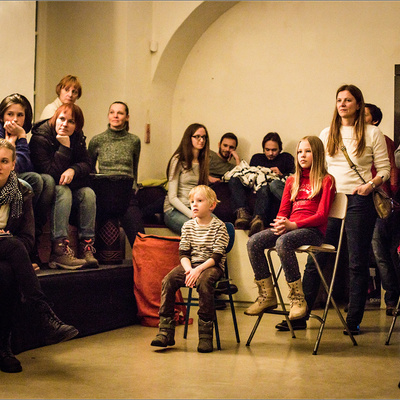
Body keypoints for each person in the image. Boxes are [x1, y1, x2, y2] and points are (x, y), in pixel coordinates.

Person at [297, 85, 391, 335]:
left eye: (348, 100)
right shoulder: (327, 132)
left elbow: (384, 170)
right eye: (339, 100)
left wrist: (369, 186)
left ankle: (353, 319)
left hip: (360, 201)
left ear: (358, 104)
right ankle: (299, 314)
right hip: (330, 200)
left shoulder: (372, 133)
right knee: (316, 255)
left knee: (356, 262)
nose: (342, 104)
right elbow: (321, 168)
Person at [0, 139, 79, 373]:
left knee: (6, 273)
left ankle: (3, 348)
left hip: (6, 255)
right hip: (11, 249)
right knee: (13, 247)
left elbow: (27, 238)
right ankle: (43, 315)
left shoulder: (22, 191)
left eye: (4, 161)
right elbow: (19, 244)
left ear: (13, 164)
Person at [245, 136, 335, 321]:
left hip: (313, 231)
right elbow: (283, 211)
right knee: (254, 241)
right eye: (300, 151)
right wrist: (280, 224)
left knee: (283, 241)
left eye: (308, 151)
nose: (302, 155)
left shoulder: (326, 180)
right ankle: (267, 295)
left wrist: (293, 225)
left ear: (317, 154)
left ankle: (297, 299)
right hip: (291, 228)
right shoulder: (292, 181)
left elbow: (321, 216)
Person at [151, 185, 229, 353]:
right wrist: (188, 270)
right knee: (168, 280)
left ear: (212, 205)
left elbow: (216, 257)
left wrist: (197, 270)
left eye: (200, 201)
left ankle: (205, 336)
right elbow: (184, 253)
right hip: (191, 265)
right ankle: (165, 331)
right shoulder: (187, 226)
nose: (194, 205)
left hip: (210, 266)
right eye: (192, 201)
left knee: (204, 282)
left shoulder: (219, 227)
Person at [30, 103, 98, 270]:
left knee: (88, 194)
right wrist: (64, 148)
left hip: (71, 184)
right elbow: (50, 174)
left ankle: (86, 247)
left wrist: (73, 170)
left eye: (71, 121)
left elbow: (87, 164)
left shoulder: (77, 136)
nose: (65, 124)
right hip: (49, 190)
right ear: (55, 118)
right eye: (62, 118)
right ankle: (59, 251)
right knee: (63, 191)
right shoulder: (41, 137)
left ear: (77, 125)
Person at [0, 93, 55, 269]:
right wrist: (16, 140)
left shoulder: (20, 133)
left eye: (20, 115)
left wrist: (20, 137)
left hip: (13, 178)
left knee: (47, 181)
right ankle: (25, 247)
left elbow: (24, 165)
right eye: (10, 114)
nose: (14, 119)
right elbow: (16, 167)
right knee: (34, 182)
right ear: (2, 116)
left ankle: (33, 239)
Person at [88, 101, 144, 247]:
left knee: (140, 236)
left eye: (120, 113)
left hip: (126, 192)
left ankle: (143, 267)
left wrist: (134, 187)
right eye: (112, 112)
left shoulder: (134, 140)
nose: (116, 116)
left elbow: (134, 167)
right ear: (108, 116)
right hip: (104, 192)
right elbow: (90, 169)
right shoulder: (97, 140)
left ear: (127, 117)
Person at [367, 103, 400, 316]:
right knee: (379, 252)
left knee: (383, 252)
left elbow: (392, 173)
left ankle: (391, 298)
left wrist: (392, 199)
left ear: (375, 120)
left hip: (382, 203)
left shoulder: (382, 139)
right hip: (365, 202)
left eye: (365, 115)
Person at [229, 132, 295, 237]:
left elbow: (293, 177)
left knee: (265, 187)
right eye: (267, 150)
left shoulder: (286, 158)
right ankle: (242, 213)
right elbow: (250, 174)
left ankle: (258, 219)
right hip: (255, 184)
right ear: (263, 149)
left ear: (280, 149)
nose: (270, 153)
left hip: (269, 185)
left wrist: (281, 174)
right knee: (234, 179)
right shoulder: (257, 158)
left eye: (274, 150)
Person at [163, 123, 210, 235]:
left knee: (219, 227)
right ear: (189, 138)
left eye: (204, 137)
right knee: (200, 231)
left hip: (194, 208)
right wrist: (192, 215)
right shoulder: (178, 160)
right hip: (174, 210)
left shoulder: (203, 162)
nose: (201, 140)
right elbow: (172, 197)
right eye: (197, 136)